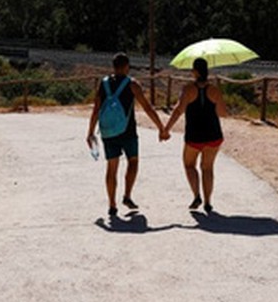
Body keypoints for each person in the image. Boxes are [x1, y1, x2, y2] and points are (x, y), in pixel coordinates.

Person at [86, 52, 165, 217]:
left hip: (108, 131)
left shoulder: (104, 84)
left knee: (111, 168)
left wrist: (90, 132)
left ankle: (112, 204)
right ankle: (127, 195)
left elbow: (96, 109)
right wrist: (160, 127)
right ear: (126, 66)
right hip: (128, 131)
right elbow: (147, 107)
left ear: (114, 67)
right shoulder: (132, 84)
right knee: (133, 162)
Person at [161, 57, 227, 213]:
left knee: (189, 165)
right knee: (208, 168)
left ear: (195, 72)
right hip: (213, 135)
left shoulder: (188, 89)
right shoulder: (215, 90)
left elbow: (178, 111)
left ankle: (197, 195)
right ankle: (208, 202)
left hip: (194, 136)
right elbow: (223, 113)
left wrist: (166, 129)